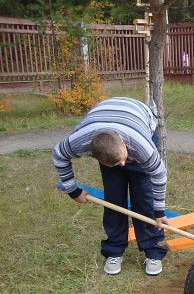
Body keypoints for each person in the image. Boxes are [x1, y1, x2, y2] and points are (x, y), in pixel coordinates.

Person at [53, 97, 169, 276]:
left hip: (138, 120)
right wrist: (73, 191)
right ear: (93, 155)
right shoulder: (80, 142)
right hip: (102, 129)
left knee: (144, 195)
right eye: (116, 162)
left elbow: (159, 176)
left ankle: (153, 251)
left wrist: (159, 212)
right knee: (114, 197)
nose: (123, 164)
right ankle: (114, 250)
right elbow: (59, 156)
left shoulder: (142, 146)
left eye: (123, 158)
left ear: (124, 144)